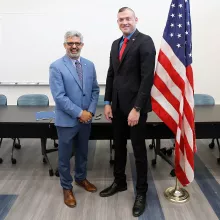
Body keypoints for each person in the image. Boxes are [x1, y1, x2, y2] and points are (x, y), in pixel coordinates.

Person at [99, 7, 156, 217]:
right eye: (121, 19)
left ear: (135, 20)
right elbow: (111, 74)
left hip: (135, 110)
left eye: (128, 19)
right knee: (119, 147)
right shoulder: (116, 44)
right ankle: (119, 182)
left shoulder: (145, 41)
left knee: (139, 152)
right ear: (118, 22)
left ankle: (142, 193)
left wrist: (137, 109)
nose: (125, 22)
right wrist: (106, 102)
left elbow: (147, 78)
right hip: (117, 108)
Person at [49, 30, 100, 208]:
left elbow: (95, 90)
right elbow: (59, 96)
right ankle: (66, 187)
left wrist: (91, 112)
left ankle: (80, 178)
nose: (74, 46)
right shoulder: (56, 66)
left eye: (77, 43)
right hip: (67, 121)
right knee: (64, 157)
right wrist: (80, 113)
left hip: (86, 120)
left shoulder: (89, 65)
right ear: (65, 45)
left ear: (82, 45)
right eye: (70, 43)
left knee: (83, 152)